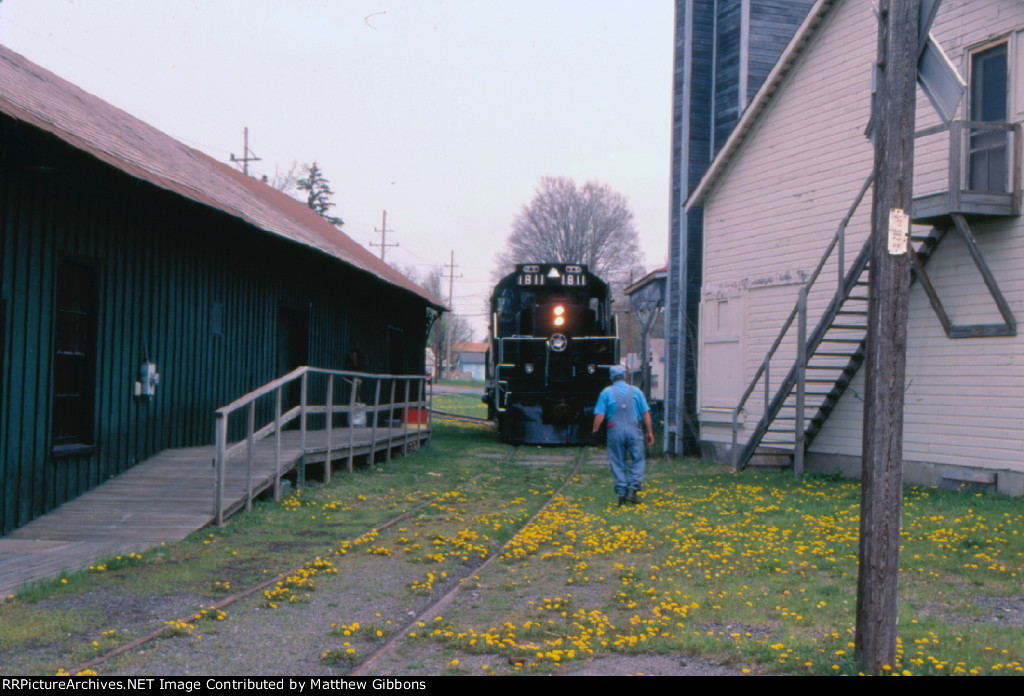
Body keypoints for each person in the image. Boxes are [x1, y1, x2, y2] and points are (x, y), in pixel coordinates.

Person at [592, 365, 654, 505]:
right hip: (634, 430)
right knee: (637, 460)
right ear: (626, 376)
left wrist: (595, 431)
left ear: (611, 378)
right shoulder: (636, 391)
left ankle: (621, 495)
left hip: (614, 430)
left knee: (617, 461)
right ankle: (632, 491)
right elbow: (646, 414)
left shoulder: (606, 392)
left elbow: (600, 415)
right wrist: (649, 432)